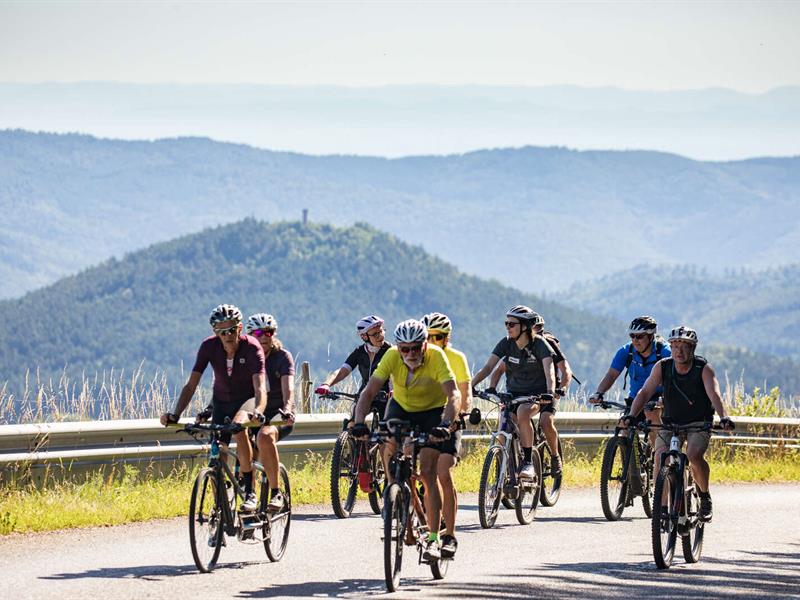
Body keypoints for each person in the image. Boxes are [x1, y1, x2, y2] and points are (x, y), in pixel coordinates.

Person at [352, 319, 460, 562]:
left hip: (433, 411)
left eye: (415, 348)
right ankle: (394, 490)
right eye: (405, 349)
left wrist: (445, 424)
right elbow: (369, 392)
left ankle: (434, 539)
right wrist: (359, 422)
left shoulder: (436, 357)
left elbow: (453, 393)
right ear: (399, 348)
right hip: (401, 408)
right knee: (386, 442)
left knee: (429, 471)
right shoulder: (390, 355)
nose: (410, 353)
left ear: (424, 345)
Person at [160, 304, 268, 512]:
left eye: (231, 330)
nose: (227, 336)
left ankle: (250, 491)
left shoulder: (252, 347)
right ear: (215, 332)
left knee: (239, 427)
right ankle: (220, 504)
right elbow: (191, 384)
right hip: (221, 402)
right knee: (217, 450)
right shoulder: (209, 347)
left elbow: (260, 387)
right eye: (221, 332)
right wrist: (175, 414)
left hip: (247, 400)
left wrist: (259, 411)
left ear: (239, 328)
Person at [623, 326, 734, 522]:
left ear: (693, 348)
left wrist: (723, 417)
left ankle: (704, 495)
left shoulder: (703, 368)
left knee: (693, 455)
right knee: (660, 456)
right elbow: (645, 392)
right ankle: (663, 508)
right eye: (675, 346)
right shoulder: (663, 366)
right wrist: (632, 415)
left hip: (698, 423)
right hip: (670, 423)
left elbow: (714, 394)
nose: (679, 351)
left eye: (684, 347)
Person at [472, 305, 558, 478]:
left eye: (511, 324)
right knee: (504, 421)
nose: (507, 328)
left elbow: (550, 371)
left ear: (525, 326)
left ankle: (528, 463)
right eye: (506, 324)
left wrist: (550, 391)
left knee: (523, 412)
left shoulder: (539, 344)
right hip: (514, 395)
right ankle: (503, 469)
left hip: (538, 396)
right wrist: (470, 386)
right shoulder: (506, 343)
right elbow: (489, 367)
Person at [421, 311, 471, 559]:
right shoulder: (417, 357)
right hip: (426, 420)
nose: (433, 342)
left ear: (447, 337)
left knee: (443, 471)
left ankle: (449, 535)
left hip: (450, 422)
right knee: (418, 470)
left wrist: (460, 416)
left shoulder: (456, 358)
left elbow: (464, 392)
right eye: (428, 337)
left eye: (438, 337)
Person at [589, 316, 670, 445]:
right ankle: (631, 462)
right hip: (636, 398)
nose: (635, 340)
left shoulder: (665, 352)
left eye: (639, 336)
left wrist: (663, 399)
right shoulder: (627, 351)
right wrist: (599, 393)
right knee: (624, 424)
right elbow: (611, 375)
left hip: (660, 398)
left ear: (650, 336)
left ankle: (658, 455)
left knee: (651, 414)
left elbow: (674, 380)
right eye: (632, 336)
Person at [245, 313, 296, 511]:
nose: (264, 336)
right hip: (252, 413)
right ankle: (249, 503)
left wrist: (288, 409)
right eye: (259, 332)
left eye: (269, 332)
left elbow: (289, 389)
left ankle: (276, 493)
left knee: (265, 437)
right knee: (245, 457)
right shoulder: (246, 359)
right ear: (250, 335)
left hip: (278, 413)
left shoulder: (282, 357)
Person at [315, 314, 392, 418]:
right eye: (375, 334)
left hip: (386, 396)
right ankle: (350, 433)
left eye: (381, 331)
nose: (381, 336)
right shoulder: (359, 352)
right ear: (364, 336)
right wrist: (326, 384)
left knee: (385, 427)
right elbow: (342, 371)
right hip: (365, 394)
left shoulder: (391, 351)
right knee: (354, 421)